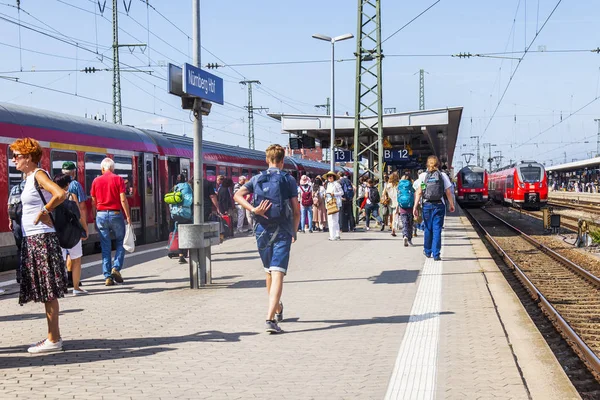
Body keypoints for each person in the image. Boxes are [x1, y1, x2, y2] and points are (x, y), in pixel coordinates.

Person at [233, 144, 300, 334]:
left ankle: (276, 308)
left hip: (261, 230)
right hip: (283, 230)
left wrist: (253, 209)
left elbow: (237, 195)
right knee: (278, 272)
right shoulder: (288, 180)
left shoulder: (257, 178)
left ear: (267, 159)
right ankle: (270, 320)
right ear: (282, 160)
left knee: (269, 273)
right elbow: (296, 211)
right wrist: (294, 231)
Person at [10, 138, 67, 353]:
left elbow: (59, 194)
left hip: (41, 239)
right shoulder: (29, 177)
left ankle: (53, 339)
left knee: (48, 290)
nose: (13, 159)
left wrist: (44, 212)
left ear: (29, 157)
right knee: (45, 291)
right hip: (34, 239)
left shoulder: (39, 174)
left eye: (17, 155)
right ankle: (54, 337)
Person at [91, 157, 132, 286]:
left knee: (105, 245)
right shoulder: (118, 179)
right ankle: (116, 268)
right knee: (121, 241)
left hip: (101, 215)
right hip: (115, 214)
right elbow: (123, 199)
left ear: (102, 169)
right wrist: (128, 216)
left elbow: (93, 201)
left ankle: (107, 276)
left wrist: (94, 216)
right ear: (113, 168)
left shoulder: (96, 180)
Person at [413, 156, 455, 261]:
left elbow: (419, 192)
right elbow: (448, 192)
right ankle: (436, 254)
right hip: (439, 205)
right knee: (437, 229)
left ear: (427, 164)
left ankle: (427, 251)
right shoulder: (443, 175)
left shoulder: (423, 176)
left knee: (428, 228)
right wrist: (451, 204)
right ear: (438, 164)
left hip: (427, 205)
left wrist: (415, 206)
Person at [53, 174, 89, 294]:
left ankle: (60, 288)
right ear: (67, 185)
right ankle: (76, 288)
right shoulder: (71, 196)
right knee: (76, 259)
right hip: (73, 231)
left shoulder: (52, 197)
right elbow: (78, 216)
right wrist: (85, 229)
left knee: (60, 261)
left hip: (57, 232)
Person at [60, 161, 88, 289]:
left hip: (60, 227)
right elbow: (81, 208)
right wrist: (84, 227)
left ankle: (65, 280)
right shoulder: (75, 185)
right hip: (73, 226)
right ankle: (73, 281)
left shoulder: (56, 184)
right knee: (75, 255)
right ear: (74, 172)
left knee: (63, 254)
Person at [170, 174, 193, 264]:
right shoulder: (187, 187)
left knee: (180, 234)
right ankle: (184, 254)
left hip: (175, 213)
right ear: (185, 179)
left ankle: (181, 255)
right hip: (185, 214)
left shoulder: (174, 188)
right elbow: (189, 201)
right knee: (187, 234)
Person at [8, 178, 26, 283]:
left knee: (20, 249)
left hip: (17, 223)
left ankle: (20, 274)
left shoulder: (15, 188)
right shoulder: (32, 187)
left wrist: (10, 221)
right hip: (28, 223)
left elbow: (9, 206)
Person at [397, 172, 416, 246]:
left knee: (405, 223)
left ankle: (405, 235)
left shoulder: (399, 186)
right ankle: (410, 239)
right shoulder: (411, 186)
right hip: (410, 208)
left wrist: (397, 207)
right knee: (410, 224)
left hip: (402, 208)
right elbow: (414, 195)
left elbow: (397, 197)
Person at [323, 171, 344, 240]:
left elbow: (342, 192)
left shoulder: (336, 184)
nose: (329, 177)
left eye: (331, 176)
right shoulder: (327, 184)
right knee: (331, 220)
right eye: (328, 176)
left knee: (333, 220)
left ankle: (333, 236)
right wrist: (325, 195)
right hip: (329, 203)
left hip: (335, 203)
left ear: (334, 177)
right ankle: (335, 235)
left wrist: (334, 194)